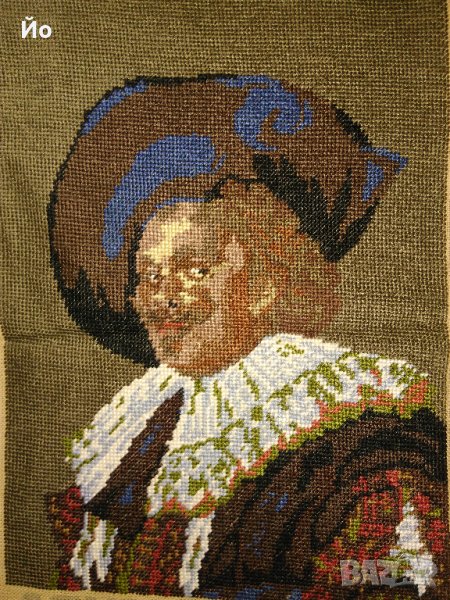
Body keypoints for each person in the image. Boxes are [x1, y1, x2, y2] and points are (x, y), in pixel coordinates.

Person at [47, 75, 448, 598]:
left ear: (267, 278)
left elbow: (401, 579)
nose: (163, 297)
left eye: (195, 267)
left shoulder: (363, 435)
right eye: (148, 275)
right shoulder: (135, 439)